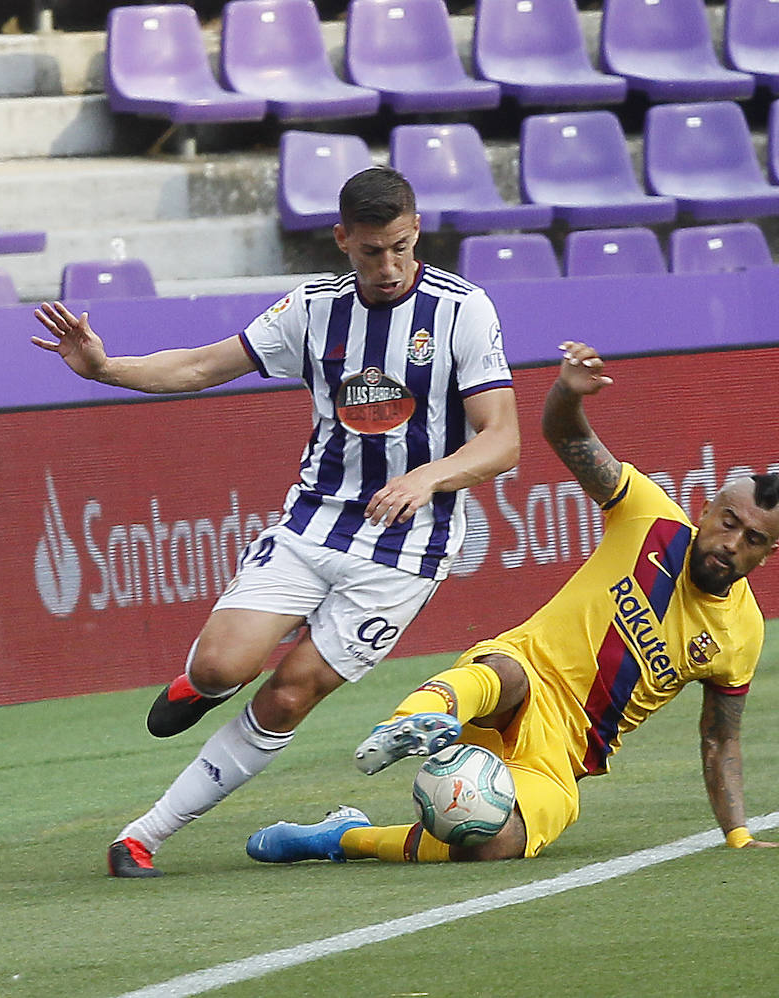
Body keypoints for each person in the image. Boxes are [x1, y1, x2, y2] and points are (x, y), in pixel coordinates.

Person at [31, 167, 520, 877]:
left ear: (418, 232)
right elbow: (201, 366)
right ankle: (201, 684)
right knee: (218, 663)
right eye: (371, 252)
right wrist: (106, 369)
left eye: (402, 248)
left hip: (403, 553)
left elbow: (501, 439)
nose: (388, 267)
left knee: (290, 692)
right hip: (313, 524)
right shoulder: (313, 309)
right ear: (341, 240)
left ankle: (143, 835)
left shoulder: (461, 310)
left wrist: (429, 475)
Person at [246, 341, 779, 864]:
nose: (731, 543)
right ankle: (416, 720)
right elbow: (567, 438)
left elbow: (720, 737)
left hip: (563, 754)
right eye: (728, 523)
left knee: (495, 844)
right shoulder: (649, 516)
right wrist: (566, 393)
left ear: (769, 555)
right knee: (504, 673)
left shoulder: (742, 633)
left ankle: (346, 836)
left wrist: (739, 835)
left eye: (752, 540)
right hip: (522, 680)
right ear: (704, 511)